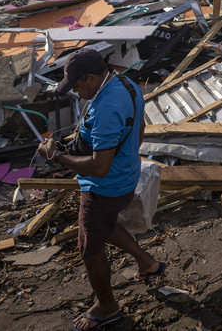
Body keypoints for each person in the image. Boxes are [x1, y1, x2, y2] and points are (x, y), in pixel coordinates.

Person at [38, 48, 164, 330]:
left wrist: (56, 156)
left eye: (78, 85)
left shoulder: (106, 107)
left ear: (93, 78)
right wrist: (126, 156)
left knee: (89, 246)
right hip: (126, 177)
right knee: (104, 224)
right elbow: (139, 127)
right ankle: (147, 262)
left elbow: (98, 167)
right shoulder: (127, 84)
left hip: (104, 186)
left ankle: (107, 307)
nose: (76, 91)